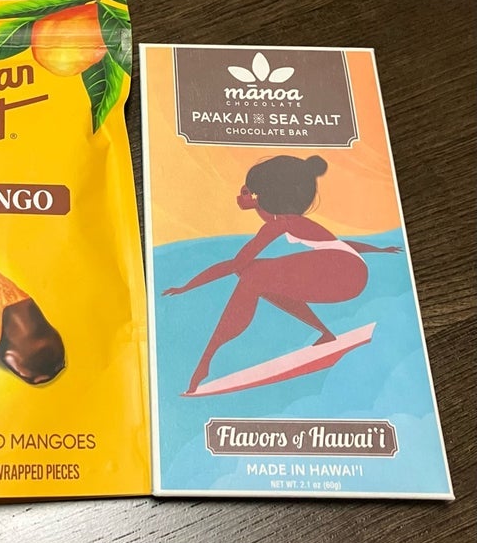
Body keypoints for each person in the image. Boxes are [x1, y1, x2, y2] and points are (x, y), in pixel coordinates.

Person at [162, 155, 400, 394]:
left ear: (261, 196)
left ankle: (206, 361)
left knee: (254, 274)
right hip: (349, 272)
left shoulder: (281, 223)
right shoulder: (291, 222)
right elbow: (339, 244)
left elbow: (235, 264)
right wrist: (380, 250)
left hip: (344, 273)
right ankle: (325, 333)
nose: (241, 196)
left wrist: (187, 287)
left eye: (246, 192)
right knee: (259, 276)